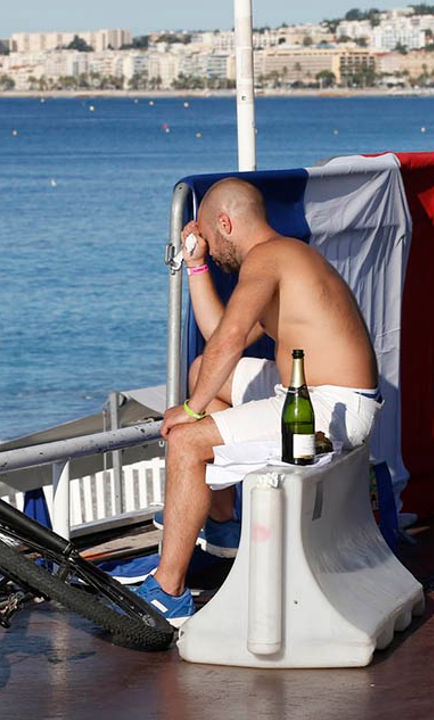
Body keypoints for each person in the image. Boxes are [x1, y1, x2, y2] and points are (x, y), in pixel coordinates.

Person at [135, 177, 382, 624]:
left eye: (209, 238)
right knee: (203, 375)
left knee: (187, 442)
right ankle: (225, 524)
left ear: (225, 223)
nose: (208, 246)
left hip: (327, 406)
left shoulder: (268, 257)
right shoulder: (284, 256)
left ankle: (167, 593)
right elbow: (219, 336)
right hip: (321, 394)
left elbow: (227, 340)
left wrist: (190, 411)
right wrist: (196, 264)